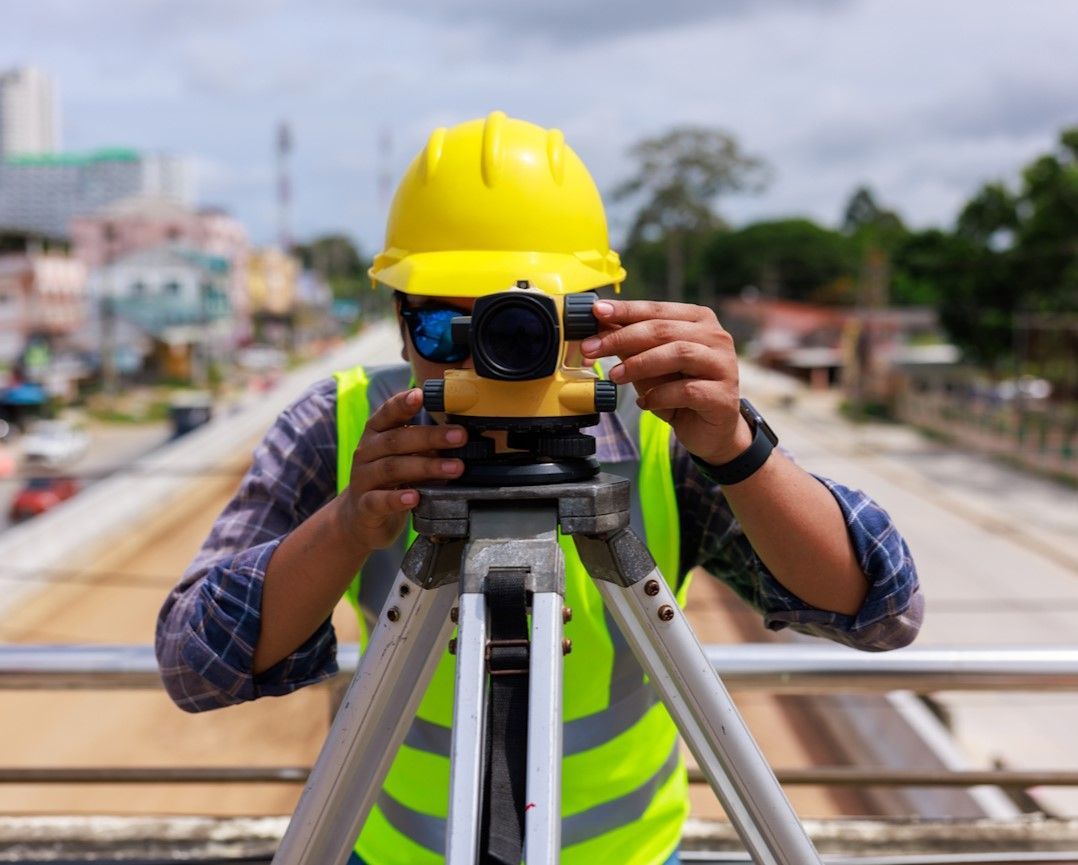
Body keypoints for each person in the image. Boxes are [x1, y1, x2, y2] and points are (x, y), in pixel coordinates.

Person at [157, 112, 922, 865]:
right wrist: (350, 521)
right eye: (448, 328)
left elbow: (882, 612)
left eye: (532, 324)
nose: (496, 357)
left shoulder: (665, 429)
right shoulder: (346, 425)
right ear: (398, 320)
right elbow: (195, 659)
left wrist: (736, 447)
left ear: (602, 315)